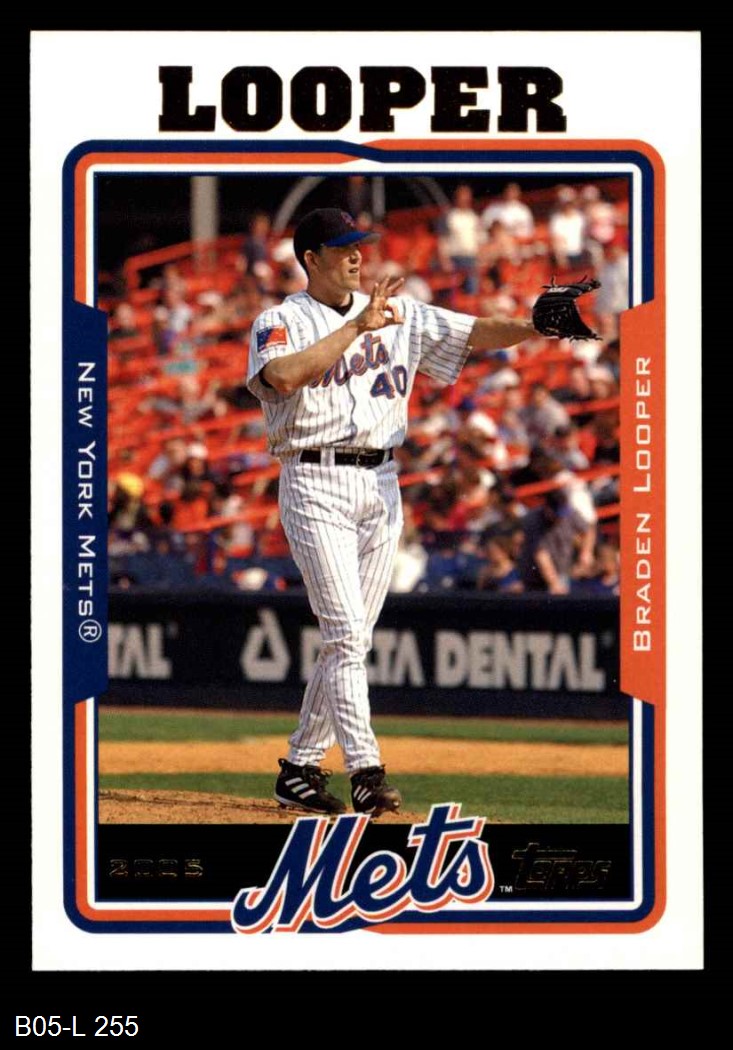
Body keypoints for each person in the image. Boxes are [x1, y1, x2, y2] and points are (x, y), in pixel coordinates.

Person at [246, 208, 536, 817]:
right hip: (314, 477)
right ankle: (366, 771)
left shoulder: (398, 312)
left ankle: (299, 768)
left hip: (382, 483)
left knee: (350, 639)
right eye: (344, 247)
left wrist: (536, 325)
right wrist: (358, 327)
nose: (358, 255)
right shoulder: (280, 320)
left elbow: (476, 331)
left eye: (361, 245)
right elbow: (283, 376)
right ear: (311, 259)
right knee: (345, 634)